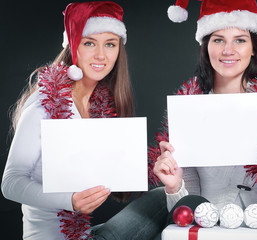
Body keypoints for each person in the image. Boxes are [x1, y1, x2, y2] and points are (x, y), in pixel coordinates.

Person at [1, 2, 167, 239]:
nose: (101, 55)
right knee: (164, 203)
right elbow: (11, 182)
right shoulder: (45, 103)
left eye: (110, 44)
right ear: (73, 46)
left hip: (85, 234)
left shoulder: (99, 104)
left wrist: (156, 167)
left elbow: (115, 172)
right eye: (89, 43)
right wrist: (70, 200)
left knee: (166, 199)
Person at [151, 0, 257, 239]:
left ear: (254, 47)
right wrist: (174, 186)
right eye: (218, 40)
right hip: (209, 232)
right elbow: (186, 206)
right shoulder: (189, 110)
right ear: (206, 47)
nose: (228, 50)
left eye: (240, 40)